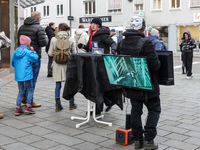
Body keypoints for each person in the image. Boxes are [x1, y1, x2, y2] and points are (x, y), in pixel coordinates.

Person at [116, 16, 161, 150]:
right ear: (143, 28)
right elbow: (155, 66)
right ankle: (148, 140)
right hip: (148, 86)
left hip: (131, 83)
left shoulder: (121, 43)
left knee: (136, 111)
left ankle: (138, 141)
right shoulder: (146, 43)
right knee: (154, 109)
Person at [78, 17, 117, 114]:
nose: (92, 25)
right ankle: (107, 102)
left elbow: (113, 43)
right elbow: (88, 48)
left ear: (98, 25)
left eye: (94, 24)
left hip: (102, 63)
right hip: (93, 63)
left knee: (98, 85)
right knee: (96, 85)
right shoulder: (92, 35)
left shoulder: (102, 35)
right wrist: (82, 46)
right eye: (91, 24)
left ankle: (99, 108)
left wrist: (113, 51)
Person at [18, 11, 48, 107]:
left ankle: (23, 97)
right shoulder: (38, 28)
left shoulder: (21, 28)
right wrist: (46, 38)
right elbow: (43, 43)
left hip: (23, 57)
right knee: (32, 79)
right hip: (34, 57)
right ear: (38, 18)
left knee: (23, 79)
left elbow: (18, 41)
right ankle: (29, 101)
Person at [48, 23, 77, 111]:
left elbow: (50, 53)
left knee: (58, 85)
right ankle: (71, 103)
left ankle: (58, 105)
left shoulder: (53, 39)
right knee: (69, 84)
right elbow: (74, 53)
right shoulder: (71, 39)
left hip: (57, 64)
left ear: (59, 29)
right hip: (68, 65)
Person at [12, 35, 38, 115]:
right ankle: (28, 106)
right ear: (27, 43)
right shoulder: (28, 52)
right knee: (29, 89)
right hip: (27, 74)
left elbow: (13, 63)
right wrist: (33, 51)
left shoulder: (16, 51)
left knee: (21, 90)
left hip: (18, 74)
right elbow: (35, 58)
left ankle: (18, 108)